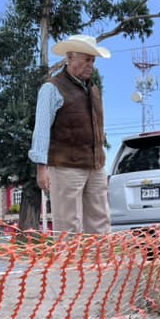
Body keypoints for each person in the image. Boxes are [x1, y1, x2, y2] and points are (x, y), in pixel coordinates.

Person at [29, 34, 111, 235]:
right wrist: (42, 167)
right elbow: (41, 128)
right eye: (86, 60)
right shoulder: (51, 88)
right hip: (65, 166)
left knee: (101, 222)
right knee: (67, 225)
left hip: (96, 164)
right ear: (70, 58)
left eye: (93, 60)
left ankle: (98, 266)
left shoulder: (93, 90)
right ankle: (69, 267)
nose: (90, 65)